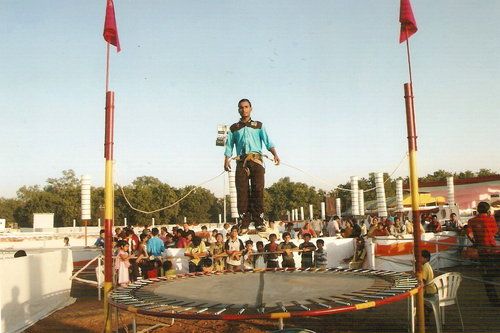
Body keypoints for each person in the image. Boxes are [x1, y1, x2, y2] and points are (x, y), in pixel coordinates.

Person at [224, 98, 280, 234]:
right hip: (241, 162)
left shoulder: (258, 125)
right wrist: (226, 159)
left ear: (251, 108)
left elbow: (268, 141)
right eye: (241, 107)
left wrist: (275, 154)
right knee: (242, 192)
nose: (244, 109)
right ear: (238, 110)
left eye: (246, 107)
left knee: (258, 190)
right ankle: (244, 222)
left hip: (256, 161)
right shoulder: (233, 128)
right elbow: (229, 145)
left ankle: (259, 220)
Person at [467, 201, 499, 305]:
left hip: (482, 250)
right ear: (488, 209)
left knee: (486, 275)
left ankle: (493, 299)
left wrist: (475, 242)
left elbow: (469, 233)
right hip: (493, 249)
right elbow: (495, 232)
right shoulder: (491, 219)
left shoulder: (472, 221)